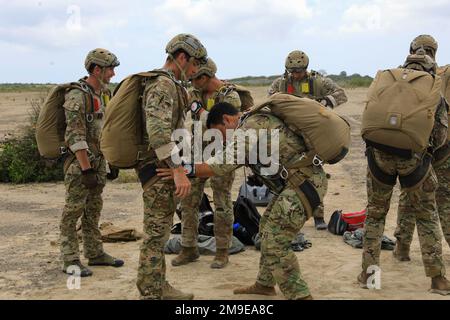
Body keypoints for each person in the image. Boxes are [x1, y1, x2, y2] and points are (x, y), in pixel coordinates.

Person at [158, 100, 330, 300]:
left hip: (304, 186)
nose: (221, 140)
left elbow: (221, 164)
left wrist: (182, 170)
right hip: (296, 186)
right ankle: (264, 284)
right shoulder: (248, 124)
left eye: (219, 133)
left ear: (227, 120)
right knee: (265, 229)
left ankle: (300, 296)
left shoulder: (249, 128)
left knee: (275, 241)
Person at [358, 51, 450, 295]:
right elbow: (441, 137)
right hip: (414, 163)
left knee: (376, 215)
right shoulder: (433, 89)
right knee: (427, 216)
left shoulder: (386, 82)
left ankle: (370, 276)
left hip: (379, 159)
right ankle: (438, 280)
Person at [135, 33, 208, 300]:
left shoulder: (170, 84)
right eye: (193, 65)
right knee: (156, 234)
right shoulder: (163, 85)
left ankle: (156, 285)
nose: (194, 71)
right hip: (159, 170)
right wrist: (178, 170)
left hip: (160, 166)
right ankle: (152, 292)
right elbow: (157, 133)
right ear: (181, 57)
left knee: (160, 230)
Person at [171, 58, 243, 269]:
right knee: (188, 202)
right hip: (196, 153)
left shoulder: (231, 96)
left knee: (222, 203)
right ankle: (188, 247)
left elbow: (232, 125)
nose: (192, 83)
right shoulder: (193, 94)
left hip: (222, 157)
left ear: (205, 77)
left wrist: (202, 113)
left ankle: (222, 251)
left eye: (194, 79)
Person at [268, 50, 348, 230]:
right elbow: (270, 99)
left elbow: (341, 94)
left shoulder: (318, 82)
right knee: (286, 174)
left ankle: (318, 216)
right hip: (289, 135)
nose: (296, 74)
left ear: (306, 68)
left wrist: (323, 104)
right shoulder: (280, 83)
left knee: (315, 173)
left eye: (300, 71)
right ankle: (286, 214)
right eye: (292, 71)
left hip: (313, 135)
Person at [61, 48, 123, 277]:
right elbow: (74, 136)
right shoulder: (77, 96)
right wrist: (85, 168)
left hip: (98, 161)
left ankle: (95, 253)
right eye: (110, 69)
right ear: (97, 69)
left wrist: (111, 159)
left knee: (93, 209)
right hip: (80, 164)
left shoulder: (103, 94)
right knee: (73, 211)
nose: (113, 74)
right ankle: (69, 259)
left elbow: (106, 129)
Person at [394, 35, 450, 260]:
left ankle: (402, 248)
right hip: (443, 147)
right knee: (445, 197)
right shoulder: (442, 74)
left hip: (413, 149)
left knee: (408, 197)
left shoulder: (400, 75)